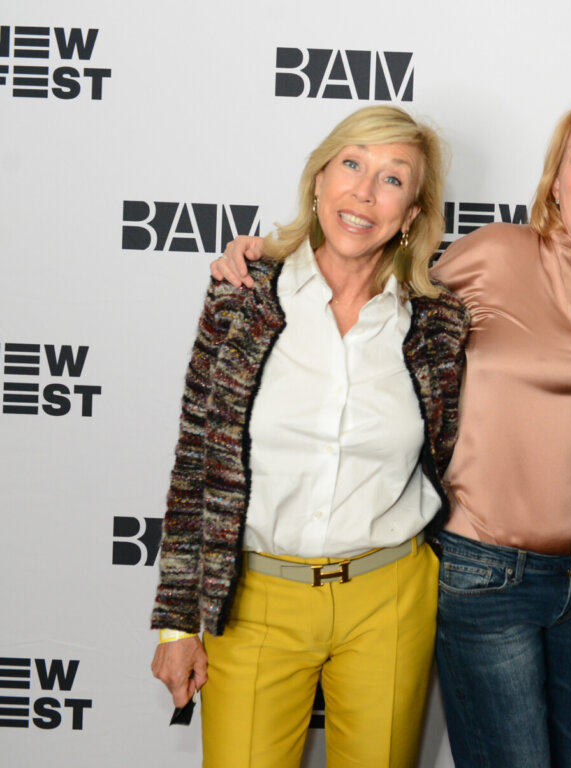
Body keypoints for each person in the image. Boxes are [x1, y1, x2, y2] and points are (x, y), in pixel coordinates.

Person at [211, 102, 571, 768]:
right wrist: (270, 254)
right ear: (555, 181)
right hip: (485, 570)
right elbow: (380, 284)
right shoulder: (496, 254)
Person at [149, 105, 470, 768]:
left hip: (390, 598)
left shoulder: (437, 320)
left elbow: (449, 453)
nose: (364, 192)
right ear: (319, 181)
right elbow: (195, 463)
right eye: (351, 164)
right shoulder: (243, 294)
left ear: (411, 214)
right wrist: (177, 625)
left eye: (392, 178)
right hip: (255, 600)